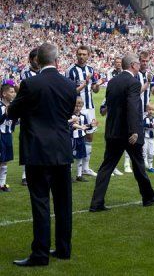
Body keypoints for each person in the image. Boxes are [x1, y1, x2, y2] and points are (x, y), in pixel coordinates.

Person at [9, 43, 76, 267]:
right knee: (64, 202)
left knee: (40, 203)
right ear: (57, 60)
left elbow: (13, 111)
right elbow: (66, 112)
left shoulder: (30, 83)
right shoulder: (69, 84)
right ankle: (64, 249)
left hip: (38, 150)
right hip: (61, 148)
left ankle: (40, 254)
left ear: (37, 61)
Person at [89, 53, 154, 212]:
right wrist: (134, 131)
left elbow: (110, 106)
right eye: (138, 63)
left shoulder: (113, 81)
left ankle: (96, 203)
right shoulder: (133, 82)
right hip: (128, 133)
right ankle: (148, 197)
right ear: (132, 65)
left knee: (106, 167)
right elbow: (132, 108)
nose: (140, 66)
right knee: (139, 166)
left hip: (113, 131)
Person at [66, 45, 103, 177]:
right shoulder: (71, 70)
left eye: (84, 54)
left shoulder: (90, 70)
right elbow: (69, 92)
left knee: (89, 135)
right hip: (76, 109)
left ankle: (85, 168)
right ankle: (71, 169)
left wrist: (97, 85)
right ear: (76, 55)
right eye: (79, 54)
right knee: (74, 136)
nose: (81, 56)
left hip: (89, 107)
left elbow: (94, 89)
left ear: (88, 56)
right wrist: (84, 84)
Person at [124, 51, 154, 173]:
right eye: (142, 61)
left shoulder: (149, 74)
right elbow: (136, 91)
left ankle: (140, 161)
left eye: (146, 61)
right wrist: (148, 83)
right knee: (132, 135)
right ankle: (127, 163)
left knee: (143, 138)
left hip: (147, 111)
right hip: (136, 109)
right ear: (138, 61)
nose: (144, 63)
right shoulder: (135, 74)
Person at [18, 48, 40, 186]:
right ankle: (25, 175)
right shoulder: (25, 73)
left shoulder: (42, 72)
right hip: (29, 112)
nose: (38, 62)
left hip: (40, 112)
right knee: (28, 143)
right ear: (31, 59)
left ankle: (37, 171)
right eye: (37, 59)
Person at [70, 96, 98, 182]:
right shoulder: (70, 117)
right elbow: (70, 127)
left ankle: (79, 175)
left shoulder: (83, 116)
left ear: (82, 106)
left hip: (81, 139)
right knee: (70, 157)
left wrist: (91, 125)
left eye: (80, 106)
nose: (78, 108)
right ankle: (69, 175)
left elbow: (85, 127)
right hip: (73, 139)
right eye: (76, 106)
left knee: (80, 156)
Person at [0, 83, 16, 192]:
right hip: (0, 135)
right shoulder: (0, 106)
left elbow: (14, 121)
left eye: (14, 91)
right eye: (11, 92)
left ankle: (2, 184)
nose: (14, 93)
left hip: (8, 136)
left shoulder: (12, 106)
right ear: (4, 94)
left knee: (5, 161)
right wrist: (5, 113)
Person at [143, 103, 154, 173]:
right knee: (144, 151)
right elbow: (143, 125)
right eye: (149, 109)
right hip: (145, 137)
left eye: (152, 110)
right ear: (147, 110)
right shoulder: (144, 118)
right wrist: (151, 125)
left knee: (151, 152)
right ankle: (143, 165)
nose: (151, 111)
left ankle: (150, 166)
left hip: (151, 138)